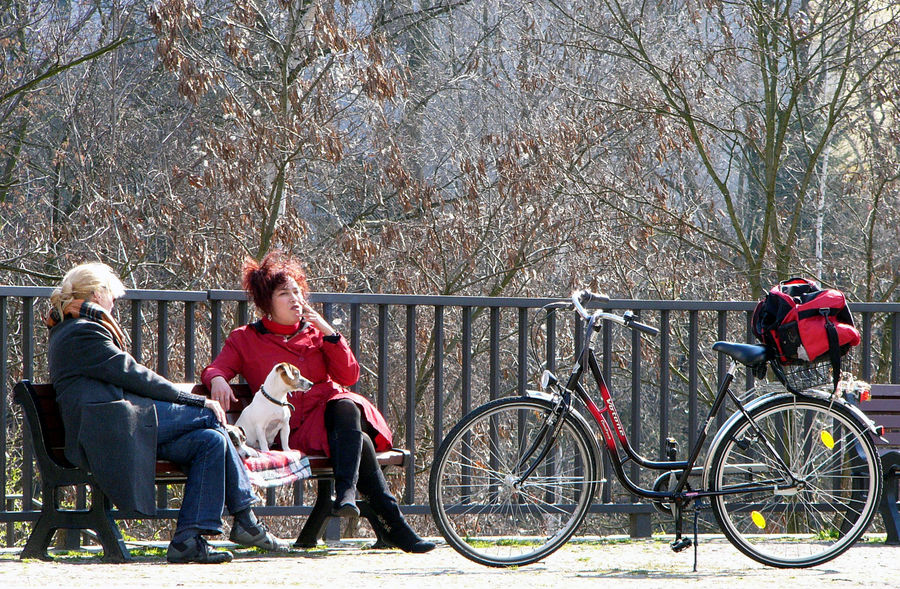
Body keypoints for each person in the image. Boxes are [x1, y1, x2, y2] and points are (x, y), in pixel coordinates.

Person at [46, 262, 287, 564]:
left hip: (124, 425)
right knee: (211, 417)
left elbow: (127, 380)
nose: (115, 302)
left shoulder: (76, 327)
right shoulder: (81, 331)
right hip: (109, 433)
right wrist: (198, 401)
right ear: (98, 293)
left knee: (211, 441)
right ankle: (246, 519)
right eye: (112, 295)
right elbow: (133, 375)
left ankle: (189, 540)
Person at [201, 251, 434, 553]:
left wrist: (328, 332)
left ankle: (348, 495)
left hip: (332, 417)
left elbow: (348, 375)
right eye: (285, 293)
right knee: (360, 442)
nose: (295, 299)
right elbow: (216, 368)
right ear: (266, 302)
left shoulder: (316, 334)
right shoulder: (246, 338)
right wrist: (217, 379)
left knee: (347, 404)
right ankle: (387, 522)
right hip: (294, 428)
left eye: (297, 291)